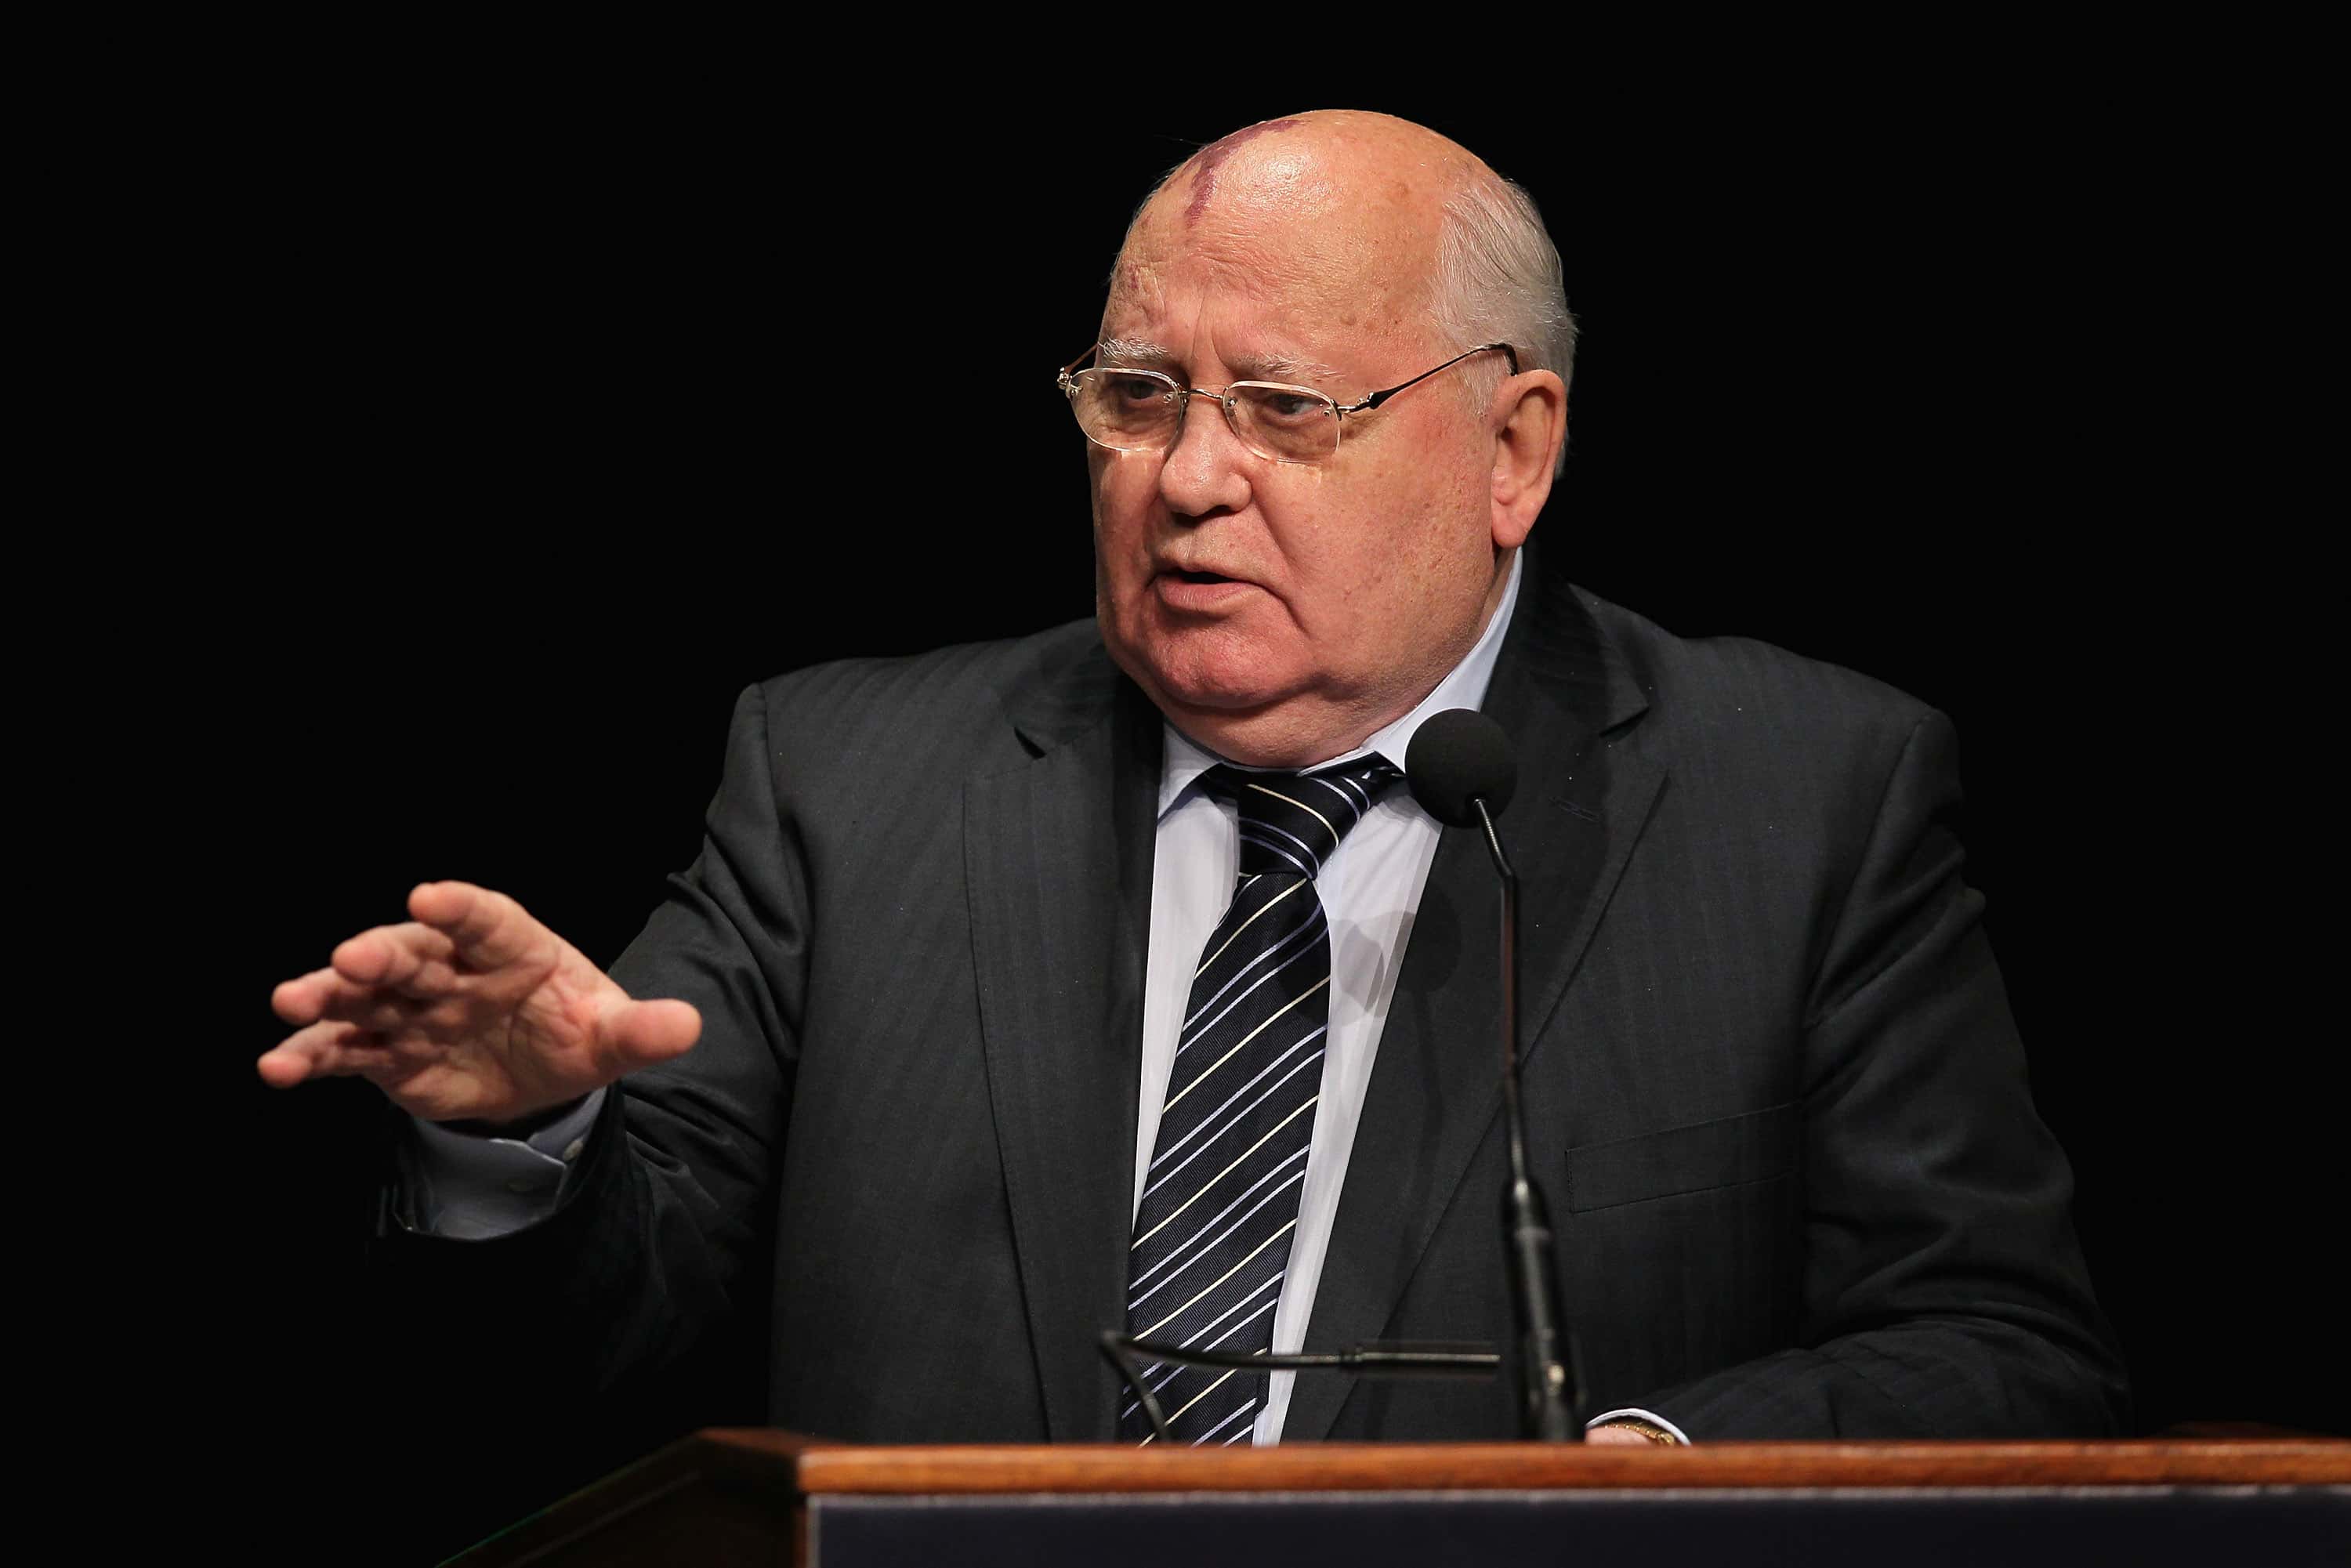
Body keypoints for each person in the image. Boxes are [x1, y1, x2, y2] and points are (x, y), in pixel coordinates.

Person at [259, 111, 2127, 1457]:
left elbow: (1998, 1343)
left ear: (1514, 448)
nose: (1187, 477)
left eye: (1287, 408)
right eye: (1138, 397)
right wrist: (521, 1139)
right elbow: (613, 1334)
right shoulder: (843, 777)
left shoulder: (1799, 797)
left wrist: (1642, 1473)